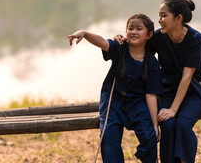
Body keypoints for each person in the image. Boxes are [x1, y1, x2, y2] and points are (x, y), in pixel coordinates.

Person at [115, 0, 201, 163]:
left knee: (181, 124)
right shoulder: (159, 37)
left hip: (194, 93)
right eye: (159, 15)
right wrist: (122, 40)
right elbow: (137, 48)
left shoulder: (197, 40)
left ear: (178, 18)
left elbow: (187, 78)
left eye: (164, 16)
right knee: (167, 125)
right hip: (166, 90)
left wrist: (173, 109)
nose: (159, 20)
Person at [68, 13, 162, 163]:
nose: (133, 32)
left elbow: (151, 95)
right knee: (109, 139)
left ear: (149, 34)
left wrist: (155, 125)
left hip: (137, 103)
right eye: (130, 28)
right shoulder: (119, 48)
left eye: (139, 29)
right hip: (114, 102)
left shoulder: (151, 63)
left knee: (149, 136)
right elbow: (102, 43)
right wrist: (84, 34)